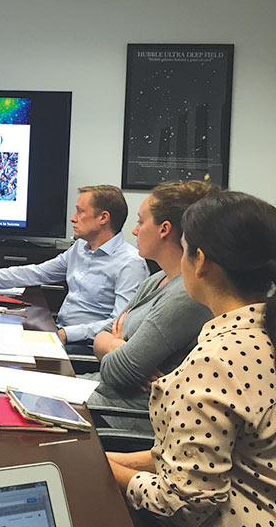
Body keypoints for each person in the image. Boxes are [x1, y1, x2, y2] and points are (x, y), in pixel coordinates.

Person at [108, 191, 276, 527]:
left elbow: (181, 503)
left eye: (183, 249)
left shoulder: (217, 361)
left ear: (201, 261)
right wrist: (114, 460)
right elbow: (209, 458)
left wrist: (101, 469)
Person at [85, 181, 218, 428]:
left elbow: (118, 371)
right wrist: (118, 346)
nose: (134, 231)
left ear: (164, 229)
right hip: (98, 395)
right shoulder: (157, 279)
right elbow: (103, 338)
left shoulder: (186, 295)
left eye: (141, 222)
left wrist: (118, 349)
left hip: (120, 417)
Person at [0, 185, 149, 346]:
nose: (73, 218)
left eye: (80, 212)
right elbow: (35, 273)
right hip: (60, 332)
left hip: (87, 345)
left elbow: (118, 323)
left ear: (103, 218)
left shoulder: (130, 263)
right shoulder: (79, 248)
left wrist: (67, 334)